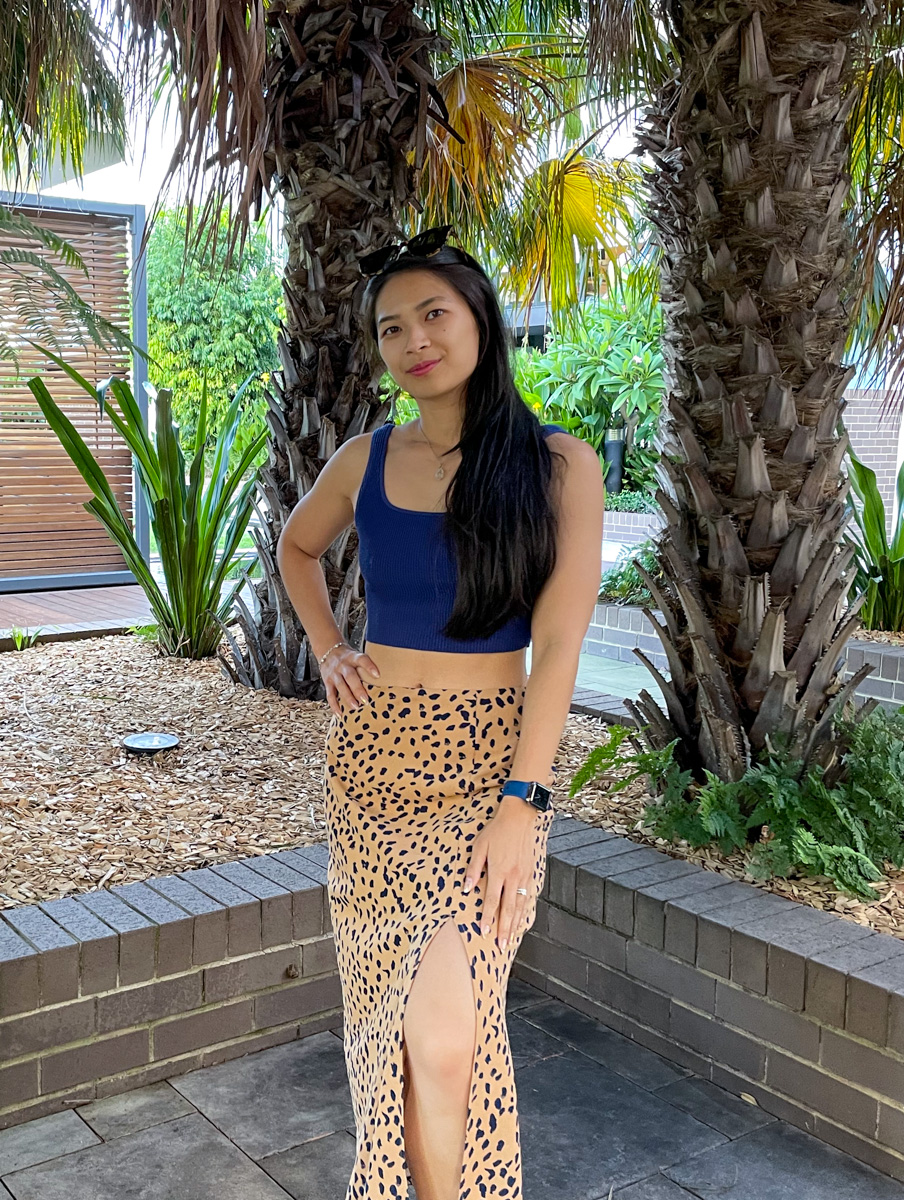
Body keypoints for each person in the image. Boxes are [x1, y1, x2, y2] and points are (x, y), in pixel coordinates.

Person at [277, 226, 604, 1200]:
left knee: (448, 1040)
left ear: (479, 323)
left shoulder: (558, 467)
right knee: (395, 1038)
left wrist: (522, 804)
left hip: (489, 770)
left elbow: (560, 650)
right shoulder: (364, 458)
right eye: (390, 327)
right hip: (374, 769)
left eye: (433, 314)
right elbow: (298, 552)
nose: (413, 339)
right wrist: (329, 648)